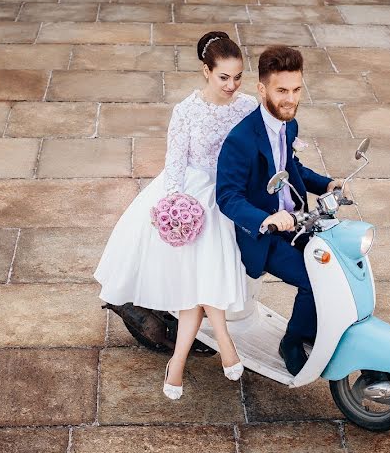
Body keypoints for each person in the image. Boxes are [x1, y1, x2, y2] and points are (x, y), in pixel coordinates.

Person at [93, 31, 259, 399]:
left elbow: (266, 146)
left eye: (238, 77)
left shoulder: (248, 107)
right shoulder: (186, 111)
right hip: (193, 195)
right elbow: (175, 165)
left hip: (231, 193)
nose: (232, 85)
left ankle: (178, 363)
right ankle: (221, 345)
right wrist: (173, 208)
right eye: (223, 77)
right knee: (199, 277)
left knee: (204, 276)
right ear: (206, 71)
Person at [216, 45, 342, 376]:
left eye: (297, 89)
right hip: (262, 234)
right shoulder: (241, 139)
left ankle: (312, 327)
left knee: (335, 262)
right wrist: (266, 218)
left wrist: (327, 184)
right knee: (314, 279)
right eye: (282, 90)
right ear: (262, 89)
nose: (290, 98)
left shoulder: (289, 124)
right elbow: (227, 196)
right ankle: (292, 341)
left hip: (297, 220)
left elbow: (291, 164)